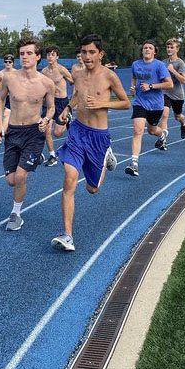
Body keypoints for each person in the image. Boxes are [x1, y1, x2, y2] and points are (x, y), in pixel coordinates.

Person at [52, 34, 130, 251]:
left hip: (98, 136)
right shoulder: (76, 73)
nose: (87, 56)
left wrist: (103, 103)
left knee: (92, 189)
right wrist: (67, 109)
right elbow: (76, 95)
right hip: (77, 131)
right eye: (84, 52)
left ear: (100, 54)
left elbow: (126, 103)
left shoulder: (109, 76)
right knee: (69, 178)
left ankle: (105, 158)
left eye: (91, 52)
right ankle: (68, 235)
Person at [0, 37, 56, 231]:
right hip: (13, 132)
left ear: (38, 56)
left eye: (29, 53)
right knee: (11, 181)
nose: (25, 57)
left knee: (20, 177)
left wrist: (46, 120)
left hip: (33, 133)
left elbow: (52, 108)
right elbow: (0, 99)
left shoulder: (47, 83)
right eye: (22, 54)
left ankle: (15, 214)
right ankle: (34, 158)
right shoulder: (9, 78)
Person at [126, 40, 173, 177]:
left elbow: (169, 84)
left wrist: (151, 86)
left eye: (150, 48)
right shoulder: (136, 64)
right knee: (138, 130)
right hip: (140, 102)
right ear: (142, 51)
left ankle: (162, 134)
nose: (146, 49)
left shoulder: (159, 65)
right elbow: (134, 77)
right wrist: (133, 88)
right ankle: (134, 163)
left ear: (154, 52)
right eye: (145, 47)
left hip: (156, 104)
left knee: (152, 130)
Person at [41, 45, 74, 167]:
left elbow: (73, 82)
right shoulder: (43, 71)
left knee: (58, 133)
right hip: (49, 102)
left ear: (57, 57)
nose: (50, 57)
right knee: (46, 129)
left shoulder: (62, 70)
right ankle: (52, 155)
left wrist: (72, 101)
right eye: (48, 54)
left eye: (53, 54)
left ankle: (68, 118)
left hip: (61, 102)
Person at [159, 38, 185, 139]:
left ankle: (184, 123)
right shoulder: (163, 62)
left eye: (172, 47)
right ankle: (163, 138)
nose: (169, 49)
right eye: (168, 47)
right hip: (166, 93)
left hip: (177, 95)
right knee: (164, 114)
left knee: (178, 116)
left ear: (177, 49)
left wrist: (173, 71)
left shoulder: (180, 63)